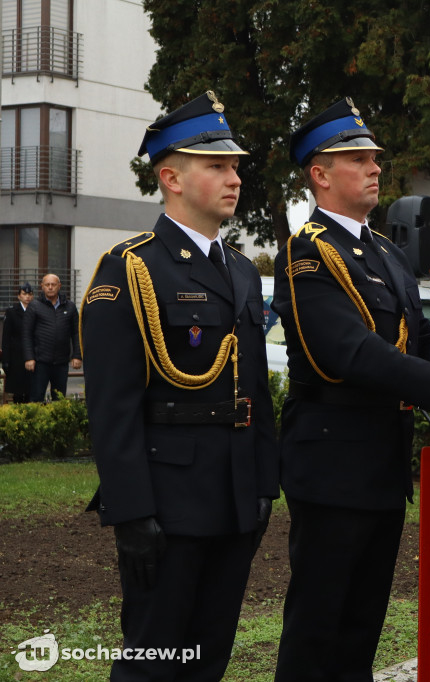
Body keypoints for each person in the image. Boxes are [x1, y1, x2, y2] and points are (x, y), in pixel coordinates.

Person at [273, 97, 430, 681]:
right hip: (331, 464)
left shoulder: (384, 252)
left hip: (380, 465)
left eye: (375, 157)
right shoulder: (308, 253)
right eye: (358, 158)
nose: (375, 167)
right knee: (317, 627)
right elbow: (352, 354)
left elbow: (418, 338)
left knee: (361, 628)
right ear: (320, 174)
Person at [79, 91, 278, 680]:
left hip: (236, 495)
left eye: (235, 166)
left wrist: (266, 483)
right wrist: (131, 512)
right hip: (168, 499)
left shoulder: (241, 269)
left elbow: (254, 388)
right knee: (154, 659)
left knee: (209, 657)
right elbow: (111, 406)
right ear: (171, 177)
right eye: (215, 166)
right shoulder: (131, 267)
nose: (233, 178)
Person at [22, 273, 82, 401]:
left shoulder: (69, 306)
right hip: (39, 362)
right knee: (36, 399)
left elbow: (77, 333)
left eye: (53, 285)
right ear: (42, 286)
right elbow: (26, 334)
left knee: (59, 400)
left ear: (59, 286)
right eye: (47, 285)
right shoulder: (34, 306)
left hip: (61, 362)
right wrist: (29, 357)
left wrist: (77, 355)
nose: (50, 287)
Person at [2, 283, 35, 403]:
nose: (27, 297)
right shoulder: (12, 312)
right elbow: (6, 337)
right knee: (18, 392)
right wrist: (6, 359)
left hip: (32, 355)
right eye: (24, 294)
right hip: (16, 357)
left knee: (31, 391)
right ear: (19, 296)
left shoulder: (36, 310)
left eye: (30, 294)